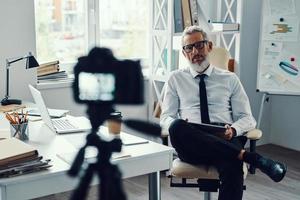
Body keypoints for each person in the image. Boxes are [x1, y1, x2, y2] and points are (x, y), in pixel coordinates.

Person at [160, 25, 287, 200]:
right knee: (176, 126)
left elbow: (247, 118)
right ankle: (252, 158)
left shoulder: (230, 79)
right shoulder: (175, 79)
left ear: (209, 46)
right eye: (189, 48)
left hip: (224, 136)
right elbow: (166, 117)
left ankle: (241, 155)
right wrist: (182, 126)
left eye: (199, 45)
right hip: (192, 141)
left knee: (233, 168)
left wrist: (233, 130)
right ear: (184, 53)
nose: (194, 51)